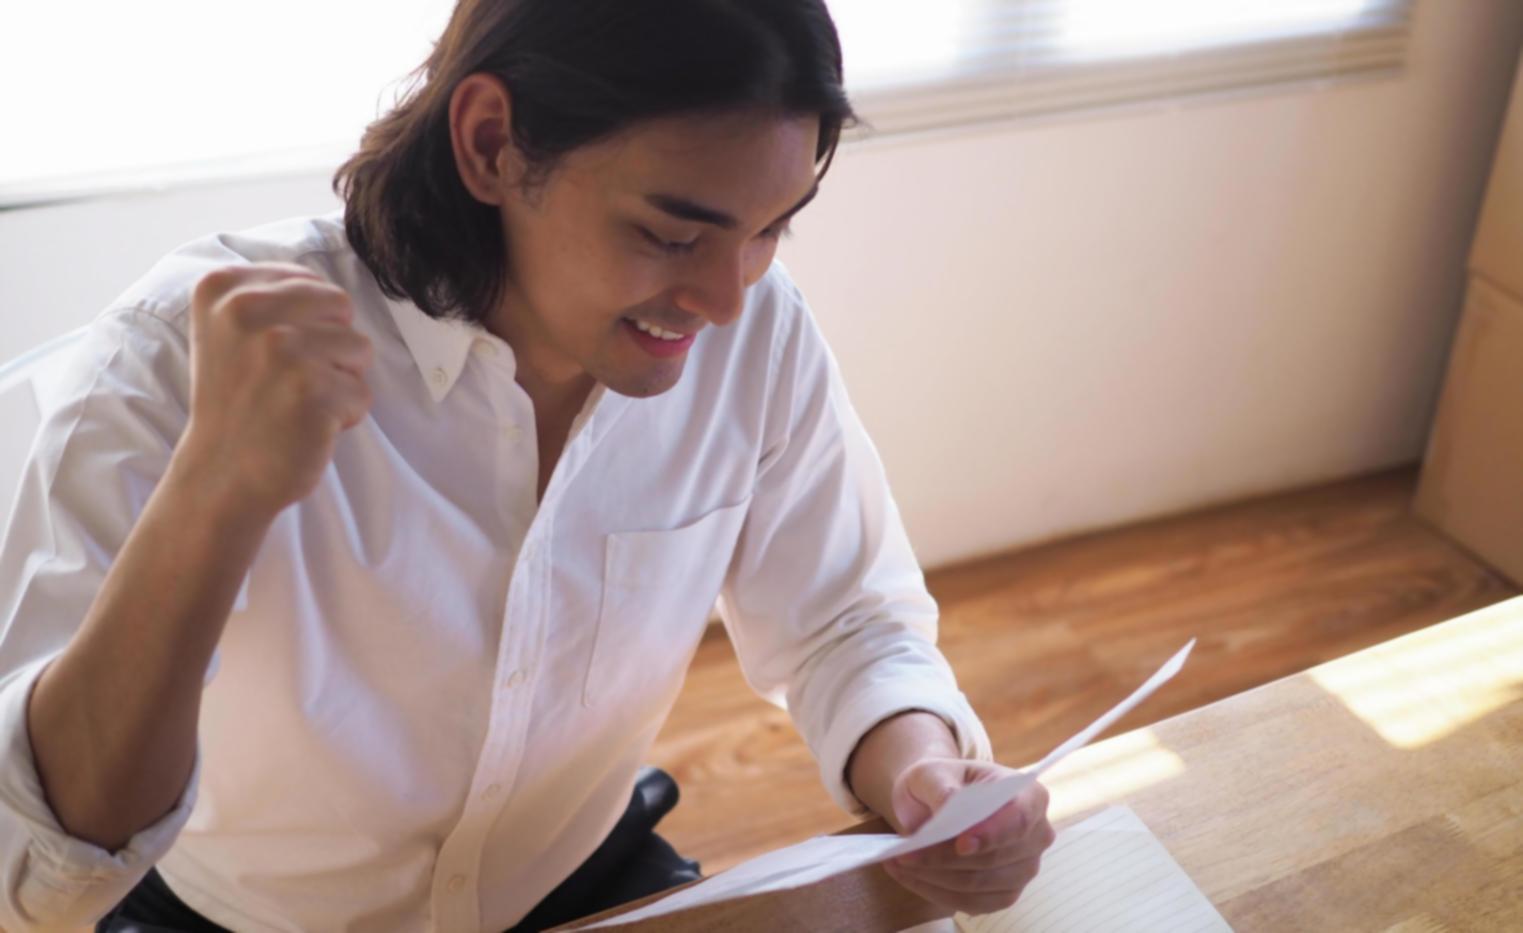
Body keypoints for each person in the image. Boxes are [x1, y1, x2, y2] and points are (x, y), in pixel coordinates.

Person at [0, 1, 1055, 930]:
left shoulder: (753, 333)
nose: (727, 300)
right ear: (491, 142)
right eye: (670, 233)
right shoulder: (183, 354)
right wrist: (215, 498)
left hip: (572, 882)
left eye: (770, 231)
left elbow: (844, 624)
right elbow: (36, 865)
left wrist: (920, 766)